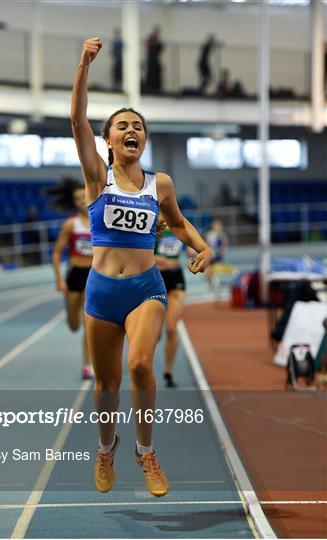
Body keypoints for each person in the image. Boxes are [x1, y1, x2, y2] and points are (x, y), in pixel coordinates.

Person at [71, 37, 212, 498]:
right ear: (108, 140)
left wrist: (200, 245)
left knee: (138, 366)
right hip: (100, 293)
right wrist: (83, 66)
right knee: (107, 385)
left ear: (143, 139)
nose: (131, 131)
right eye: (122, 126)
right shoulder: (98, 177)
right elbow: (76, 120)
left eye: (138, 127)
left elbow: (177, 222)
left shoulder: (160, 184)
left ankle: (145, 451)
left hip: (146, 290)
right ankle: (106, 446)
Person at [49, 177, 94, 380]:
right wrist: (59, 279)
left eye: (84, 195)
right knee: (74, 325)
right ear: (74, 202)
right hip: (75, 274)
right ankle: (71, 316)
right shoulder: (71, 224)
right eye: (77, 198)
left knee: (89, 321)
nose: (82, 200)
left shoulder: (99, 221)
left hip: (93, 275)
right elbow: (57, 254)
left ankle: (88, 365)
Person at [154, 224, 187, 388]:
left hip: (176, 279)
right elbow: (137, 254)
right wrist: (157, 260)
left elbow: (193, 248)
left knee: (172, 328)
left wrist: (196, 254)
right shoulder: (152, 223)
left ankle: (168, 372)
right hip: (155, 279)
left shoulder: (180, 225)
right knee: (154, 333)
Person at [205, 219, 229, 288]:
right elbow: (206, 244)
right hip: (210, 254)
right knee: (208, 272)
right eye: (216, 225)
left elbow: (224, 246)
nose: (217, 227)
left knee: (215, 270)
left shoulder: (222, 235)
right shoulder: (209, 234)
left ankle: (215, 283)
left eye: (218, 226)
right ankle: (212, 282)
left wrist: (221, 250)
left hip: (217, 255)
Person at [145, 26, 163, 93]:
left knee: (156, 74)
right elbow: (151, 47)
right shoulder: (151, 39)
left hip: (155, 60)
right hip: (152, 60)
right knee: (152, 74)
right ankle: (151, 88)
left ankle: (156, 88)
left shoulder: (157, 40)